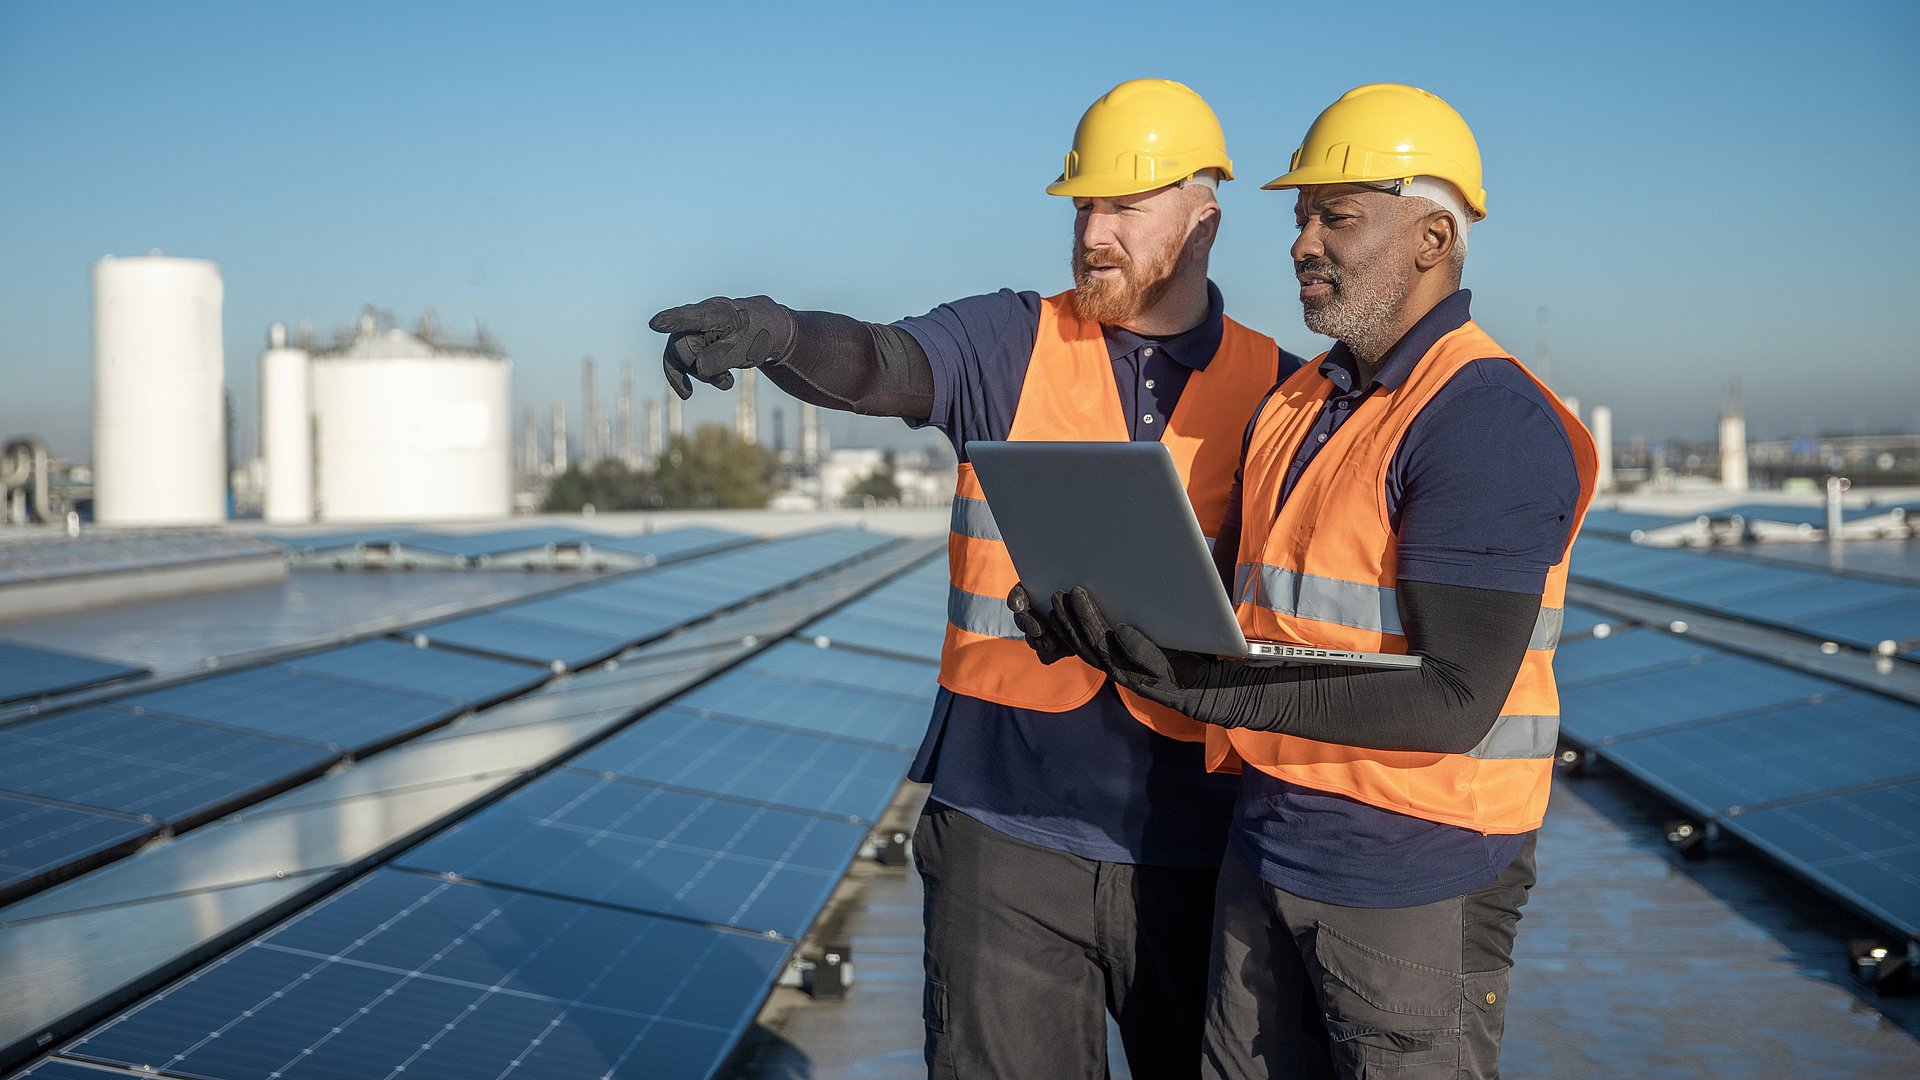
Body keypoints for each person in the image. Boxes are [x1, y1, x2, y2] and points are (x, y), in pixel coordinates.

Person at [649, 78, 1303, 1080]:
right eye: (1083, 205)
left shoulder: (1283, 390)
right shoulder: (1008, 340)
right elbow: (881, 362)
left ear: (1203, 220)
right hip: (1005, 836)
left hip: (1200, 844)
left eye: (1125, 207)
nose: (1093, 232)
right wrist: (781, 335)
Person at [1033, 83, 1598, 1079]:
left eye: (1338, 218)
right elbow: (1240, 610)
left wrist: (1203, 690)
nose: (1303, 243)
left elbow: (1456, 700)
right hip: (1271, 836)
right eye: (1301, 217)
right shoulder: (1297, 403)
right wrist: (1107, 619)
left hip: (1415, 866)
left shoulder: (1484, 422)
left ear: (1433, 238)